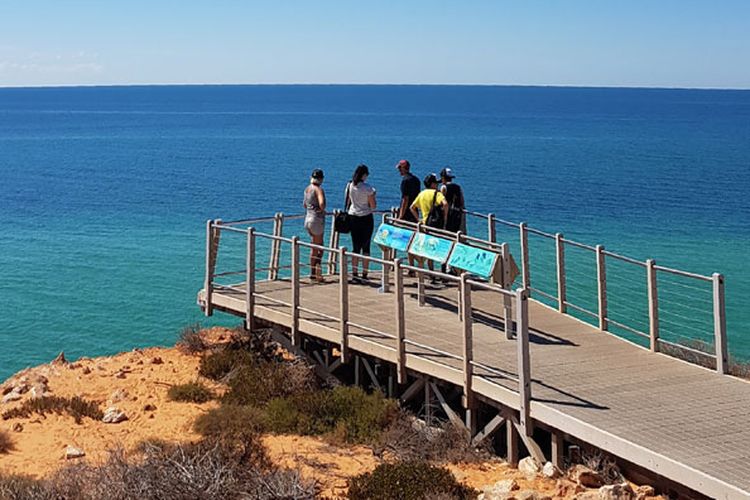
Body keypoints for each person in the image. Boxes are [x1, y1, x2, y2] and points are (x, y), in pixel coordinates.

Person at [409, 173, 449, 275]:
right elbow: (445, 204)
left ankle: (431, 273)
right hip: (436, 225)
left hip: (425, 224)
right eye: (436, 183)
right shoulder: (437, 194)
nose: (437, 185)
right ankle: (442, 272)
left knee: (428, 249)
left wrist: (419, 220)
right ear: (432, 184)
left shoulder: (421, 194)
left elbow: (412, 207)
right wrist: (445, 217)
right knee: (440, 248)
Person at [345, 164, 377, 280]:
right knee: (366, 247)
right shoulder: (368, 188)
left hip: (353, 216)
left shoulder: (350, 185)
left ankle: (354, 273)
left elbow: (349, 201)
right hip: (366, 217)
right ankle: (364, 274)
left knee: (355, 246)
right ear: (364, 175)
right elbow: (373, 206)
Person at [303, 168, 326, 282]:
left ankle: (314, 271)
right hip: (316, 220)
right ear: (321, 179)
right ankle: (316, 273)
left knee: (315, 246)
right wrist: (322, 209)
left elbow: (304, 204)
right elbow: (322, 204)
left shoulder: (307, 189)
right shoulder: (318, 190)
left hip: (307, 219)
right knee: (318, 248)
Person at [439, 166, 466, 234]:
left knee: (446, 232)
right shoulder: (458, 187)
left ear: (443, 178)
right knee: (455, 232)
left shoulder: (444, 187)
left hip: (447, 213)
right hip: (457, 213)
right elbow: (462, 201)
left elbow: (440, 201)